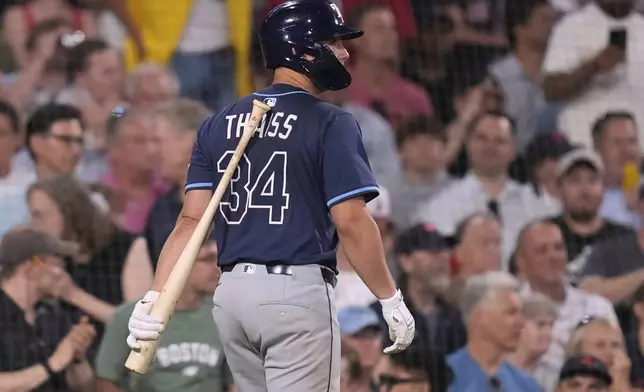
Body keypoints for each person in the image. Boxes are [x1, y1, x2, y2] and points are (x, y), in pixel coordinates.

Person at [125, 1, 416, 392]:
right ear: (300, 50)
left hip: (231, 299)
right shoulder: (332, 121)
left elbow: (190, 223)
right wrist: (390, 297)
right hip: (293, 295)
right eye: (333, 42)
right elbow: (350, 221)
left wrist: (154, 298)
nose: (345, 53)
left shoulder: (217, 123)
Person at [95, 241, 233, 392]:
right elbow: (105, 382)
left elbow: (236, 382)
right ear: (178, 263)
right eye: (208, 260)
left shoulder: (223, 315)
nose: (218, 268)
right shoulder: (131, 316)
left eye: (219, 259)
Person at [0, 227, 96, 392]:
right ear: (32, 267)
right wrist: (52, 365)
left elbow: (84, 387)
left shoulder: (53, 316)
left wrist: (77, 357)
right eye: (57, 263)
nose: (63, 274)